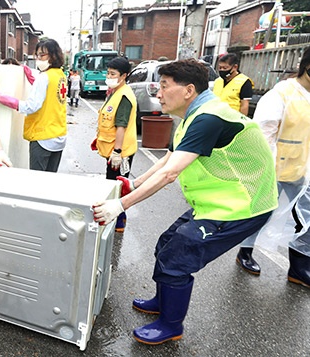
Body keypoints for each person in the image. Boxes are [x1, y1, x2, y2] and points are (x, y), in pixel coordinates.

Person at [92, 59, 278, 345]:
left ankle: (171, 324)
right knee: (167, 242)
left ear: (189, 90)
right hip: (217, 201)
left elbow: (170, 173)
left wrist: (121, 205)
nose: (158, 94)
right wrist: (135, 183)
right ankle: (163, 300)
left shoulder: (209, 118)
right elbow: (170, 157)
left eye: (165, 86)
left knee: (178, 257)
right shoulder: (193, 116)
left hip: (243, 206)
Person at [236, 49, 310, 287]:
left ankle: (299, 268)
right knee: (261, 212)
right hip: (275, 168)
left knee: (307, 218)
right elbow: (264, 134)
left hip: (304, 170)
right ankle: (245, 252)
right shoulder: (282, 94)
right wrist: (264, 168)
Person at [0, 38, 68, 172]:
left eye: (42, 55)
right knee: (51, 179)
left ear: (53, 55)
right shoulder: (61, 75)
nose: (38, 59)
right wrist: (33, 81)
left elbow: (31, 106)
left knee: (36, 182)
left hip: (43, 138)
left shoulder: (44, 77)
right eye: (37, 55)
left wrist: (1, 98)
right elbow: (49, 93)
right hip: (58, 136)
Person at [91, 57, 138, 233]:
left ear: (124, 75)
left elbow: (121, 126)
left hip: (120, 151)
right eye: (108, 73)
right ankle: (117, 219)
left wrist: (117, 152)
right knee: (113, 182)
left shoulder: (124, 96)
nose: (108, 76)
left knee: (117, 185)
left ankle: (118, 221)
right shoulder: (115, 92)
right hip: (113, 150)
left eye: (113, 74)